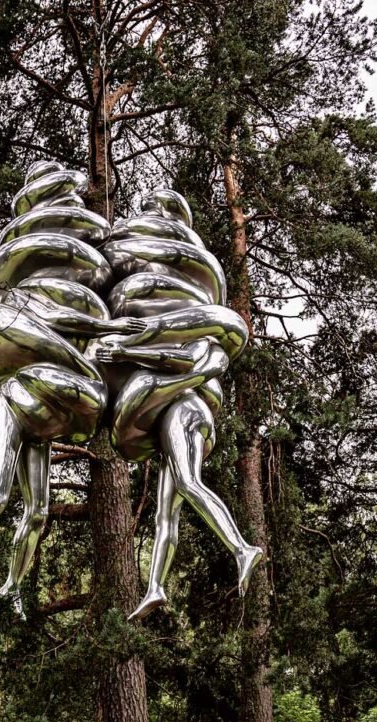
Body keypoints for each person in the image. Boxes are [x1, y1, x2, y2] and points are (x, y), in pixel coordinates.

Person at [0, 160, 143, 614]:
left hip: (41, 412)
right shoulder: (24, 292)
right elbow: (56, 318)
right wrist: (101, 331)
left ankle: (12, 587)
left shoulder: (71, 276)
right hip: (10, 402)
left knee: (37, 511)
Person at [92, 188, 263, 619]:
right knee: (165, 517)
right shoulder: (173, 330)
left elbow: (185, 360)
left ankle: (243, 548)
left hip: (185, 408)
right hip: (176, 409)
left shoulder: (194, 337)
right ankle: (154, 588)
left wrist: (128, 351)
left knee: (188, 484)